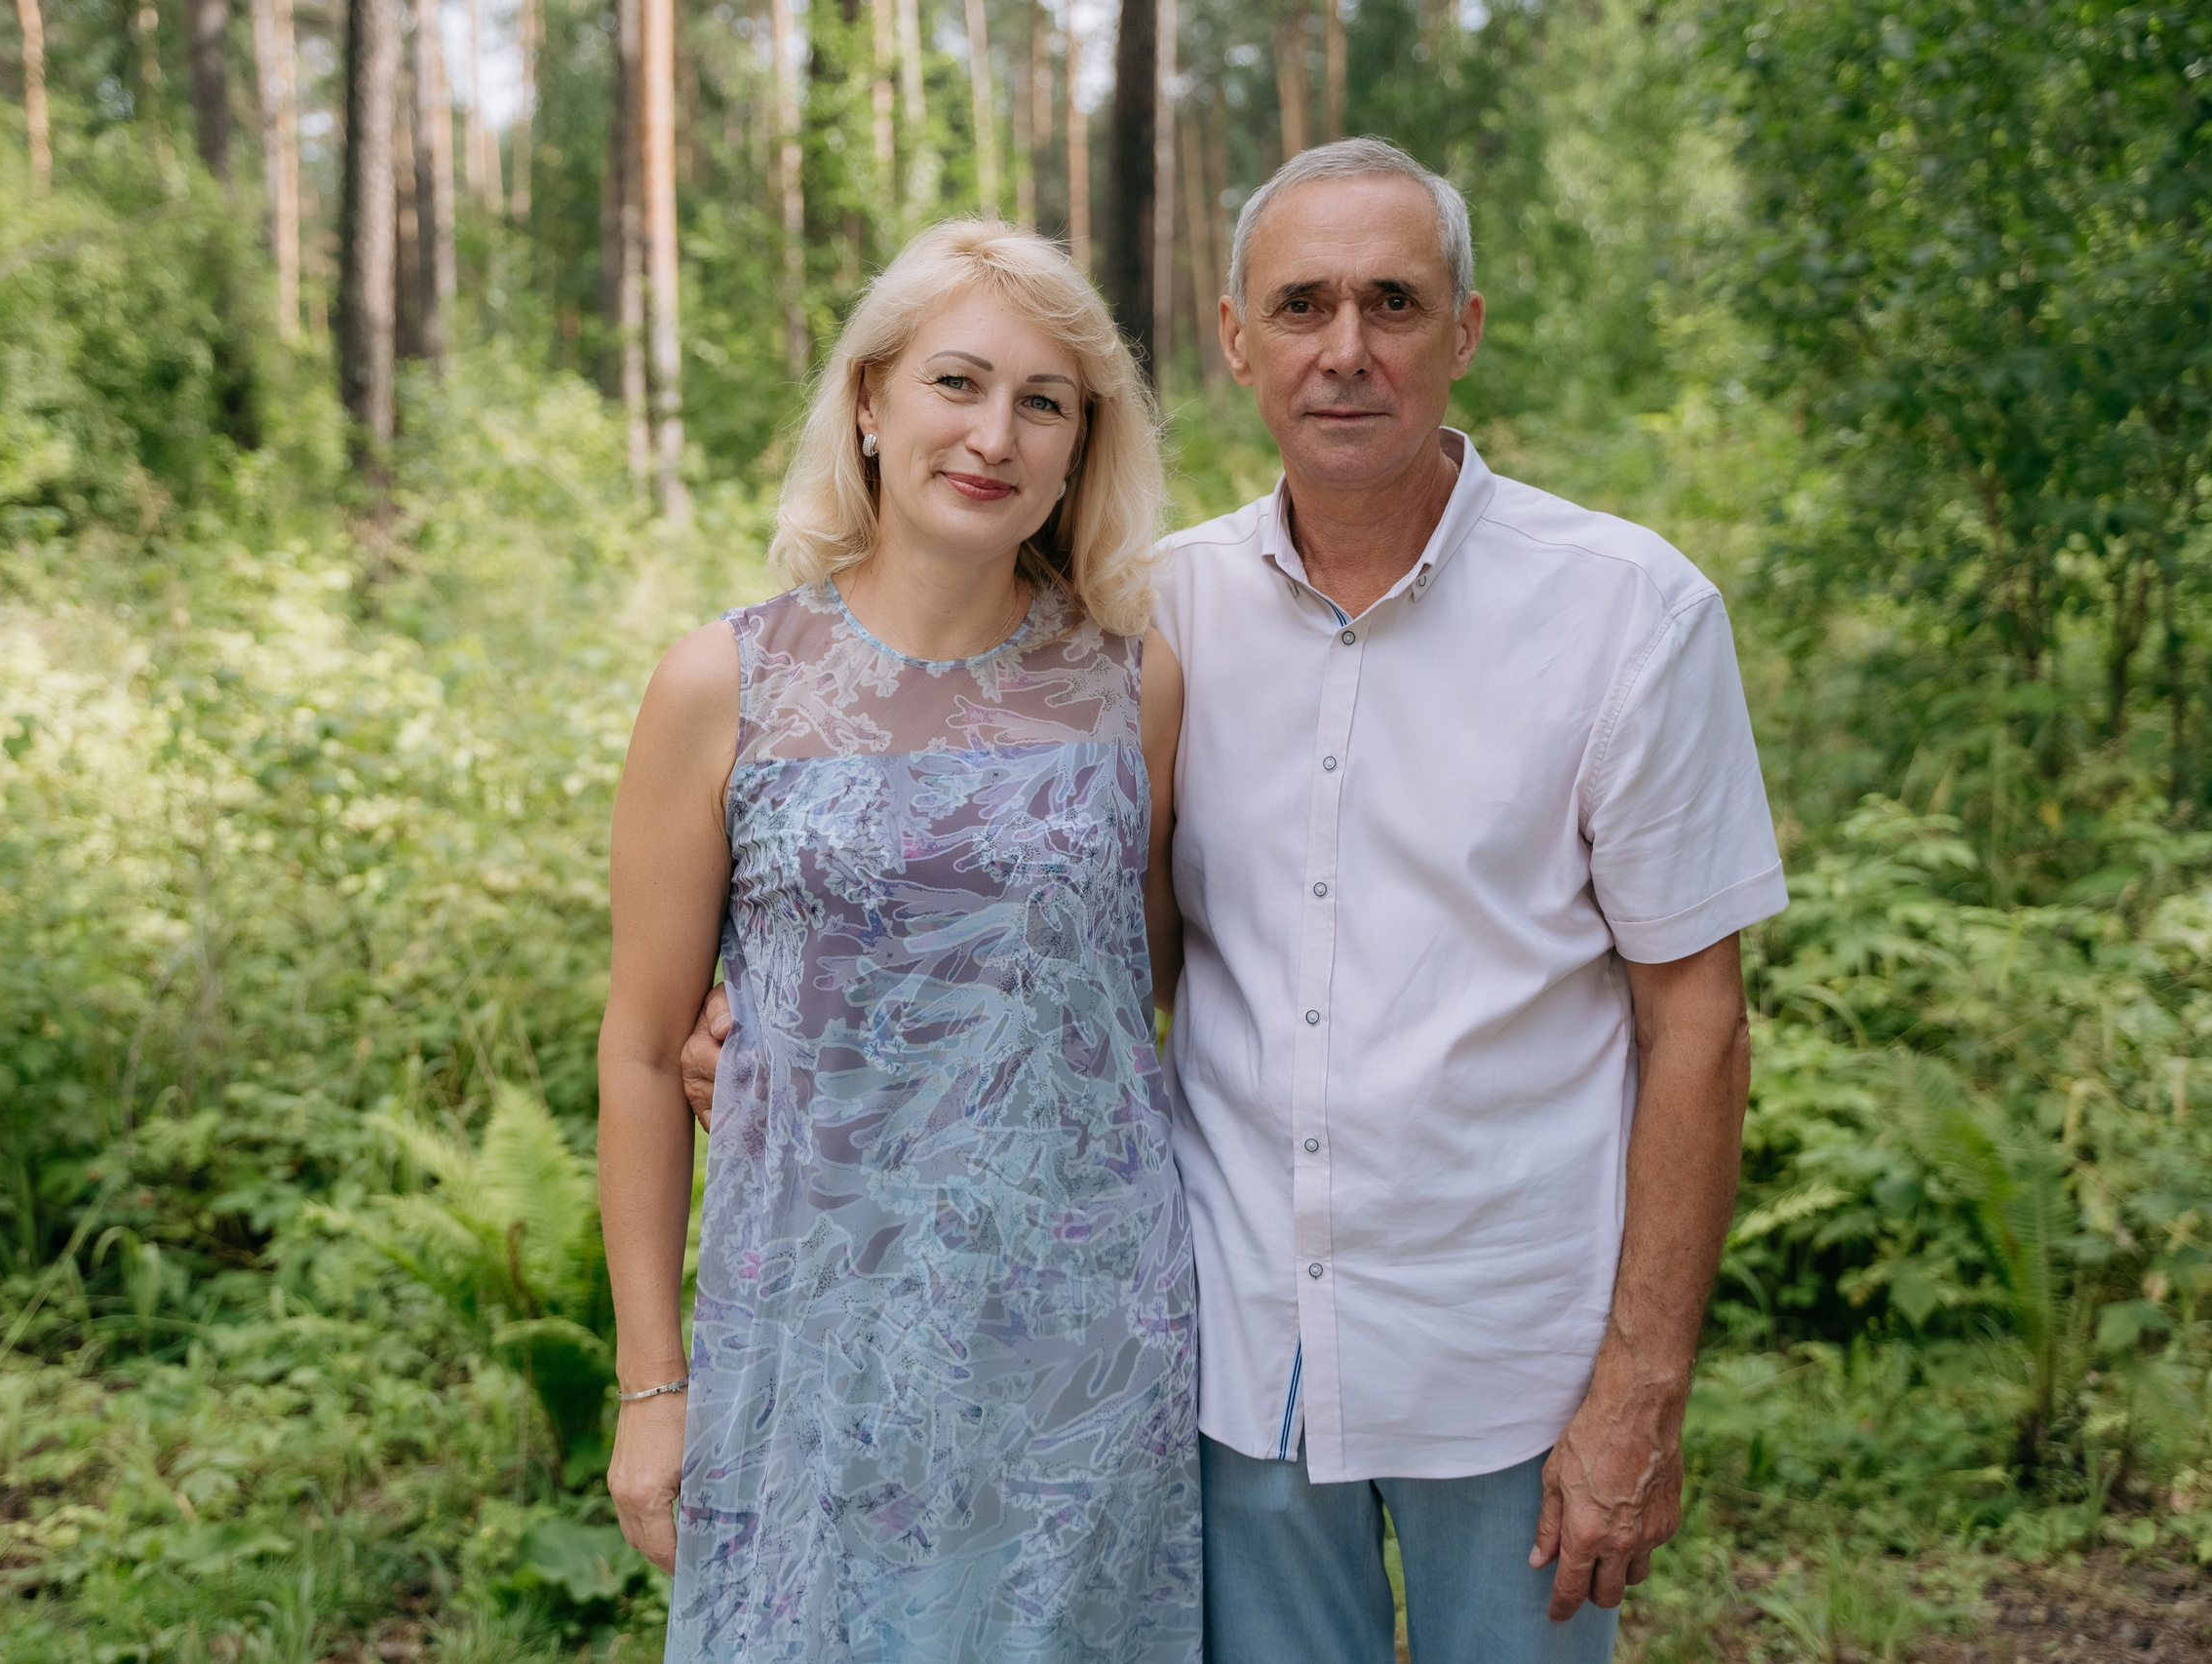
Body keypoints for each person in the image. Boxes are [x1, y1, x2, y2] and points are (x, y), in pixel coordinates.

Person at [687, 139, 1785, 1663]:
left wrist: (1643, 1384)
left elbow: (1700, 1022)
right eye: (1303, 305)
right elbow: (1058, 936)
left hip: (1510, 1372)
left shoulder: (1625, 612)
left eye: (1393, 303)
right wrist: (810, 1014)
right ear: (1235, 338)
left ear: (1463, 330)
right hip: (1232, 1360)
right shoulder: (1155, 626)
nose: (1346, 349)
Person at [598, 219, 1201, 1663]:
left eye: (1043, 402)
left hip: (1081, 1359)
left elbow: (1142, 989)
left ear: (1077, 447)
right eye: (957, 383)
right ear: (869, 402)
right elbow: (636, 1050)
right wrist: (651, 1384)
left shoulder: (1136, 684)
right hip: (810, 1344)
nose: (994, 433)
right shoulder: (721, 683)